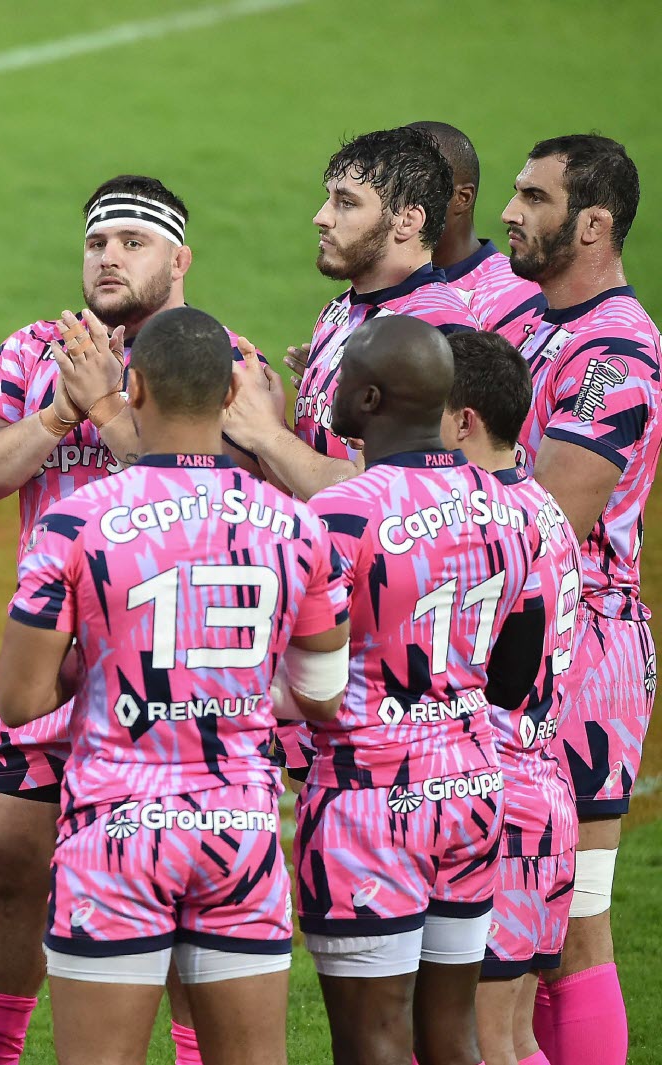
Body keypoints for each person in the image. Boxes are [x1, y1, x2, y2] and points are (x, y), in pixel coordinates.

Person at [0, 173, 259, 1065]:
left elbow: (240, 500)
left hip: (179, 675)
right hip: (49, 666)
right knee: (11, 864)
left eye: (132, 241)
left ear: (180, 258)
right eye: (96, 242)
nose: (108, 257)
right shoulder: (34, 352)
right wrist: (56, 411)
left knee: (190, 885)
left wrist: (112, 415)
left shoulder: (224, 361)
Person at [0, 306, 349, 1065]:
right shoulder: (298, 526)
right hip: (240, 831)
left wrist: (104, 661)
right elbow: (323, 694)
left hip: (115, 830)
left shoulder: (74, 522)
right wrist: (235, 687)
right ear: (232, 397)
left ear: (135, 389)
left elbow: (19, 702)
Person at [297, 315, 539, 1064]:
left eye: (342, 379)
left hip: (366, 803)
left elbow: (316, 685)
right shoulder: (514, 504)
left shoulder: (339, 513)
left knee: (372, 1043)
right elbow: (514, 676)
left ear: (370, 399)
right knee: (453, 1039)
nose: (331, 389)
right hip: (472, 792)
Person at [502, 133, 659, 1065]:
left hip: (582, 645)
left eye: (535, 197)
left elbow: (558, 506)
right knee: (522, 924)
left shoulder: (616, 349)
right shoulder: (536, 322)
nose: (511, 212)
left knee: (568, 924)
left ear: (593, 224)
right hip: (529, 633)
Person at [441, 330, 580, 1065]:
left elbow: (496, 673)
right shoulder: (539, 505)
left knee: (478, 1040)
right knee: (514, 1038)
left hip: (497, 802)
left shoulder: (483, 524)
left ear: (463, 421)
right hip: (543, 797)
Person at [223, 126, 480, 500]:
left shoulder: (435, 332)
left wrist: (266, 433)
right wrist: (267, 418)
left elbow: (382, 496)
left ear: (407, 221)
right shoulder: (340, 312)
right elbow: (303, 486)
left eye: (346, 203)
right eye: (329, 198)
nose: (321, 217)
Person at [408, 121, 546, 343]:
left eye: (410, 190)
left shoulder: (515, 300)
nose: (391, 206)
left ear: (461, 198)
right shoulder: (380, 280)